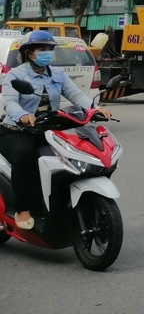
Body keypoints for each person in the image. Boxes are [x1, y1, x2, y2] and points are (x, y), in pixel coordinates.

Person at [0, 31, 112, 230]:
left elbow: (76, 94)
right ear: (29, 53)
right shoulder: (16, 75)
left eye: (50, 50)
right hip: (16, 131)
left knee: (70, 159)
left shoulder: (57, 74)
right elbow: (9, 102)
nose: (47, 53)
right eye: (42, 50)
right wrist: (23, 115)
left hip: (46, 130)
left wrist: (94, 109)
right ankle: (23, 209)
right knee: (25, 156)